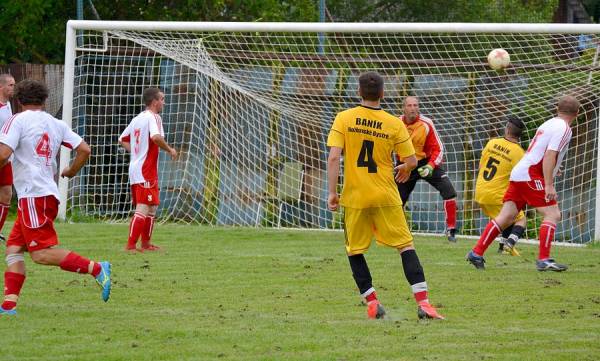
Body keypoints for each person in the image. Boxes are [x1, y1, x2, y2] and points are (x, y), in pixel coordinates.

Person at [327, 72, 444, 320]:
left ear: (359, 93)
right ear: (382, 94)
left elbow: (334, 157)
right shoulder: (394, 123)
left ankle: (372, 303)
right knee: (405, 246)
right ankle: (424, 305)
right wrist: (405, 167)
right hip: (386, 195)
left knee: (354, 250)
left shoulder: (344, 118)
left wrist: (332, 193)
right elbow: (411, 160)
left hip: (355, 197)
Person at [0, 79, 111, 315]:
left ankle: (97, 268)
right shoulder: (56, 123)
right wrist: (71, 171)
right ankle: (8, 305)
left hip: (34, 195)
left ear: (19, 101)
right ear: (44, 100)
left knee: (40, 254)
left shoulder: (16, 120)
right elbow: (84, 149)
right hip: (46, 194)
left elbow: (4, 154)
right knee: (13, 248)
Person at [467, 95, 580, 271]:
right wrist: (549, 184)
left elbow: (539, 151)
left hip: (521, 172)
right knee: (553, 214)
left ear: (557, 109)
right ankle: (544, 259)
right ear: (577, 113)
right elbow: (549, 154)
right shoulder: (565, 128)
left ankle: (476, 252)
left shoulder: (548, 123)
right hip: (530, 174)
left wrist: (553, 168)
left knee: (507, 216)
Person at [119, 88, 177, 252]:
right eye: (162, 99)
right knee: (143, 207)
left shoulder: (137, 118)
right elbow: (156, 137)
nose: (164, 102)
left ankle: (146, 244)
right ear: (154, 101)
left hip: (137, 168)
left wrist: (137, 152)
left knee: (152, 207)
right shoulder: (154, 117)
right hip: (145, 169)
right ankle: (130, 246)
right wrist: (170, 149)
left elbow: (122, 139)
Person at [396, 96, 458, 242]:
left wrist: (430, 166)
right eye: (410, 105)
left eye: (416, 105)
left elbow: (439, 148)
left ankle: (451, 231)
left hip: (425, 163)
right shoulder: (396, 123)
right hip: (406, 166)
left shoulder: (426, 123)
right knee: (396, 201)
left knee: (450, 192)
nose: (413, 108)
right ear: (403, 108)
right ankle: (398, 231)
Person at [475, 116, 527, 256]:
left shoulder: (492, 143)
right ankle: (509, 244)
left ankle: (502, 246)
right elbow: (520, 178)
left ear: (506, 129)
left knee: (506, 218)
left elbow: (481, 166)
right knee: (520, 220)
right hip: (495, 194)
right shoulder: (519, 153)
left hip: (480, 190)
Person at [0, 74, 15, 242]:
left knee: (6, 193)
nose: (13, 88)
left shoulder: (8, 105)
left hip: (6, 157)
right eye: (10, 85)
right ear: (1, 87)